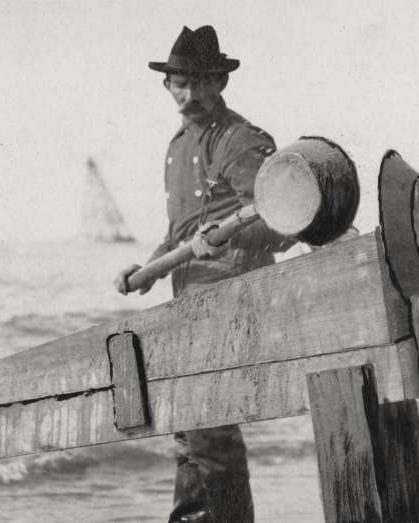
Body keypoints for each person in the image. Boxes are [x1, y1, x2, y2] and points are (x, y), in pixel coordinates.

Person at [113, 26, 294, 523]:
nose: (190, 95)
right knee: (190, 429)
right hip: (187, 301)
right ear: (166, 85)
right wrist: (148, 268)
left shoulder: (241, 141)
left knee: (207, 428)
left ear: (220, 83)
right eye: (179, 83)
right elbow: (182, 234)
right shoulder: (177, 147)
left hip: (235, 300)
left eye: (200, 83)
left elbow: (282, 218)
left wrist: (229, 235)